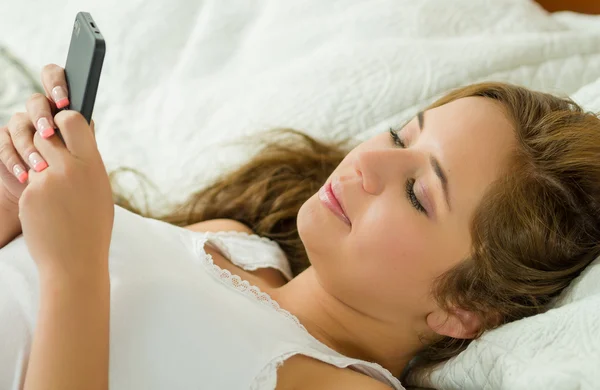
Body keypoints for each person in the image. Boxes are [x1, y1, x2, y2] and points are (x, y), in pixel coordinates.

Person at [1, 64, 599, 390]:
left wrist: (73, 270)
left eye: (418, 192)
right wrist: (15, 207)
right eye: (400, 136)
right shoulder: (230, 240)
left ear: (462, 307)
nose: (368, 163)